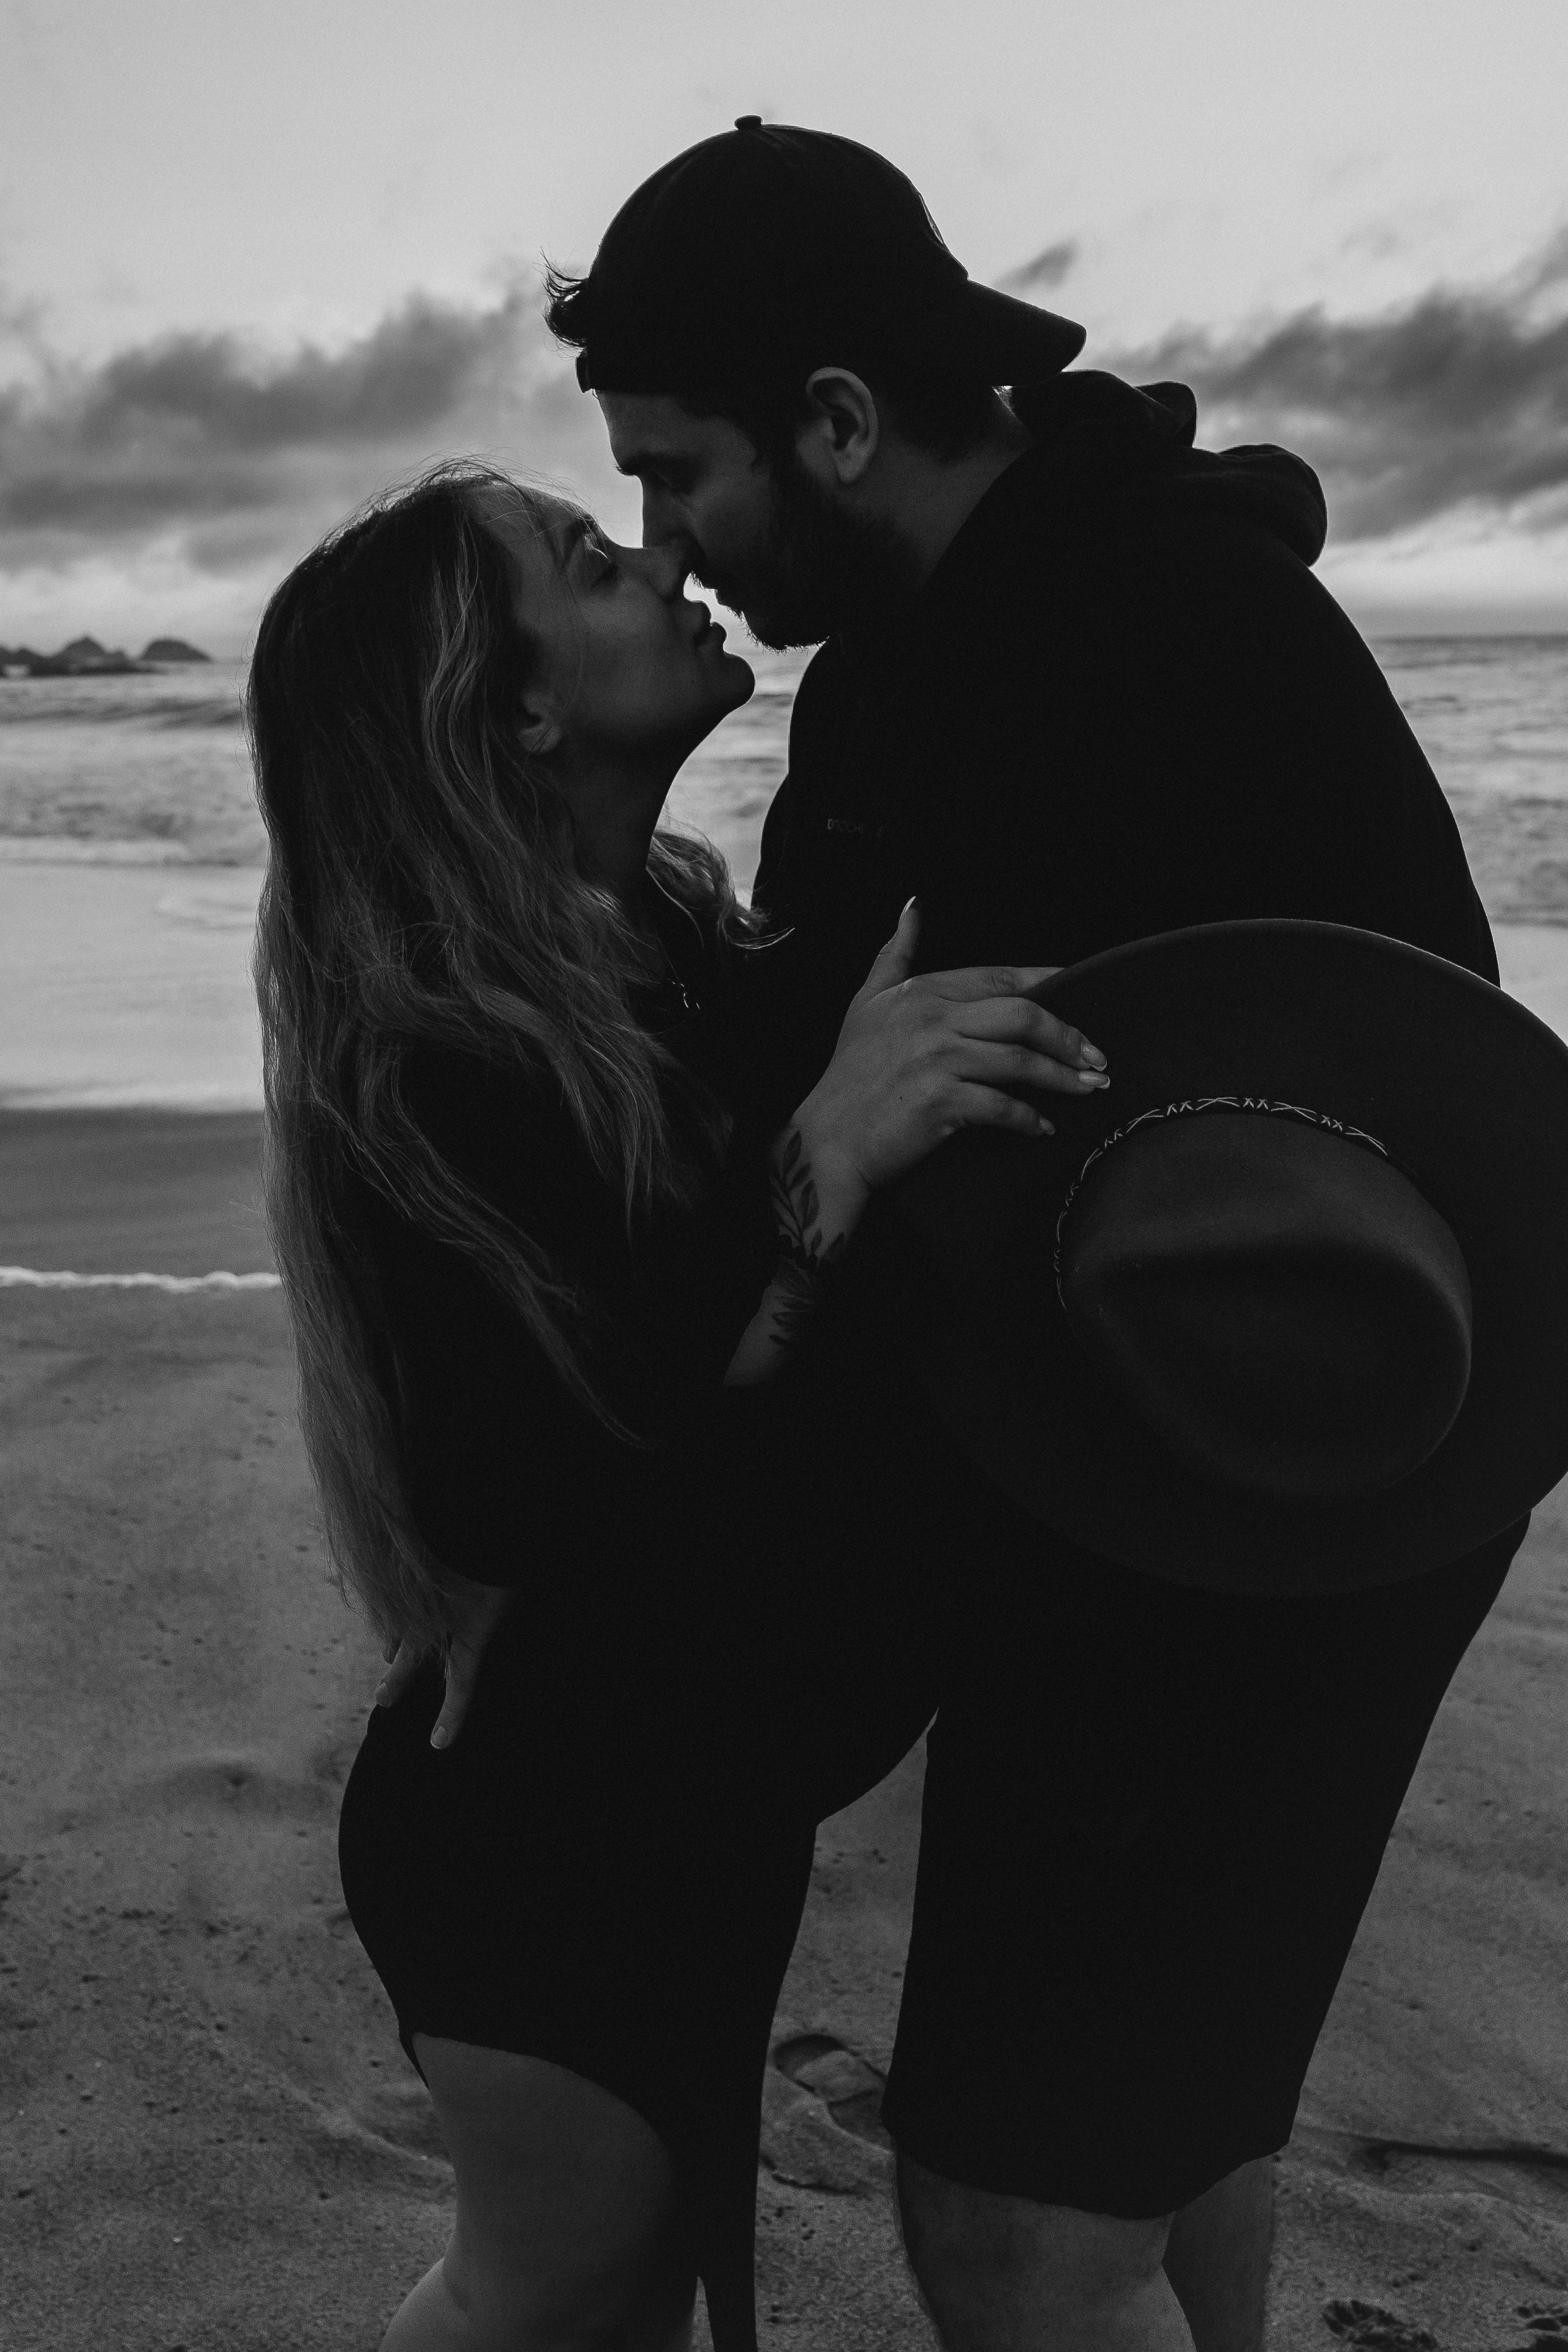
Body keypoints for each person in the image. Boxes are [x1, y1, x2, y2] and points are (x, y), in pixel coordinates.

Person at [522, 121, 1531, 2352]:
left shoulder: (1127, 638)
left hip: (1273, 1477)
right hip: (1205, 1441)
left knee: (1014, 2213)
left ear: (843, 423)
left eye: (679, 472)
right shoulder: (962, 632)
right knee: (1166, 2137)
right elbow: (833, 1055)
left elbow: (866, 1113)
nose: (659, 534)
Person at [247, 458, 1107, 2351]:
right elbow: (525, 1490)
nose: (662, 553)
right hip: (537, 1830)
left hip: (675, 1789)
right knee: (549, 2296)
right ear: (523, 701)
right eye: (588, 559)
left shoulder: (679, 955)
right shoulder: (434, 1053)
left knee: (622, 2294)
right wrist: (822, 1164)